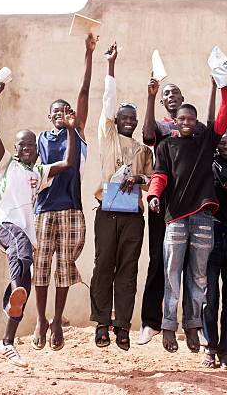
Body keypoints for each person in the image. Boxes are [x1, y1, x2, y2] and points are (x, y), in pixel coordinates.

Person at [0, 82, 76, 367]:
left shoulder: (39, 171)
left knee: (25, 277)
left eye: (30, 145)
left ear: (36, 150)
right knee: (21, 252)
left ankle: (7, 342)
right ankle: (16, 287)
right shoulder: (6, 164)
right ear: (15, 149)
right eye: (21, 145)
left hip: (24, 235)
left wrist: (72, 129)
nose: (26, 148)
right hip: (3, 225)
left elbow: (68, 163)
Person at [147, 68, 227, 353]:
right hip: (175, 218)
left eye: (190, 119)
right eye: (181, 119)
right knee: (172, 275)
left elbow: (220, 118)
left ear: (196, 122)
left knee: (198, 276)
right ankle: (169, 327)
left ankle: (193, 326)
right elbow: (159, 176)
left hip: (202, 219)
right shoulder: (166, 145)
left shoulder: (204, 142)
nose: (185, 122)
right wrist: (154, 196)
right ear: (176, 121)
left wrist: (224, 86)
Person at [32, 32, 96, 352]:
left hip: (71, 208)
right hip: (44, 209)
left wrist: (89, 54)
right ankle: (41, 319)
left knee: (63, 268)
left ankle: (57, 319)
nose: (61, 113)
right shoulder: (41, 139)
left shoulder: (77, 132)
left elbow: (84, 91)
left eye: (65, 110)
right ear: (49, 116)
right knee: (40, 266)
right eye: (55, 111)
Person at [89, 42, 154, 351]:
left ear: (137, 122)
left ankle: (123, 326)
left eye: (132, 118)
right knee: (103, 266)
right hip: (106, 211)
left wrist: (138, 178)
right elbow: (107, 100)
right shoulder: (108, 135)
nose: (128, 120)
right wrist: (110, 66)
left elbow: (152, 180)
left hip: (132, 217)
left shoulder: (144, 150)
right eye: (122, 116)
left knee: (128, 271)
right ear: (115, 120)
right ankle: (102, 323)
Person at [137, 77, 210, 350]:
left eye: (175, 93)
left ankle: (193, 324)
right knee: (160, 260)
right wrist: (150, 96)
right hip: (163, 197)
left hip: (190, 201)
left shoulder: (194, 126)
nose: (171, 96)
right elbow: (146, 135)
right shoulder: (161, 128)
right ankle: (152, 322)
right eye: (166, 94)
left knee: (195, 266)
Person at [201, 131, 227, 369]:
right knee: (209, 296)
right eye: (221, 142)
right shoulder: (210, 166)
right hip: (212, 234)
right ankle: (210, 347)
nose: (225, 146)